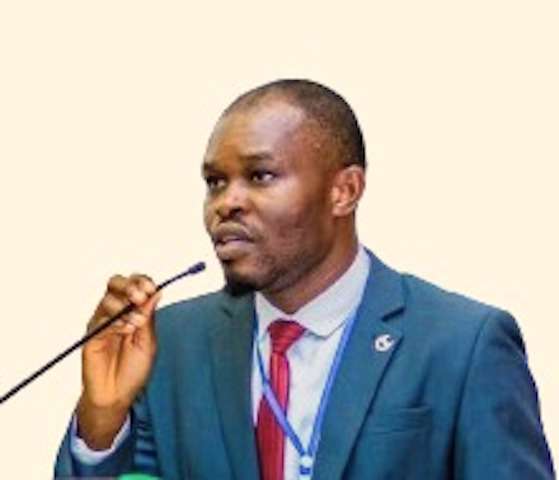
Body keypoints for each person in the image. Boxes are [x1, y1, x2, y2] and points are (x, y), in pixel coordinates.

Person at [55, 79, 555, 479]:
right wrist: (102, 419)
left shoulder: (461, 344)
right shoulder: (169, 344)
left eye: (260, 176)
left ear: (344, 191)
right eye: (215, 182)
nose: (226, 203)